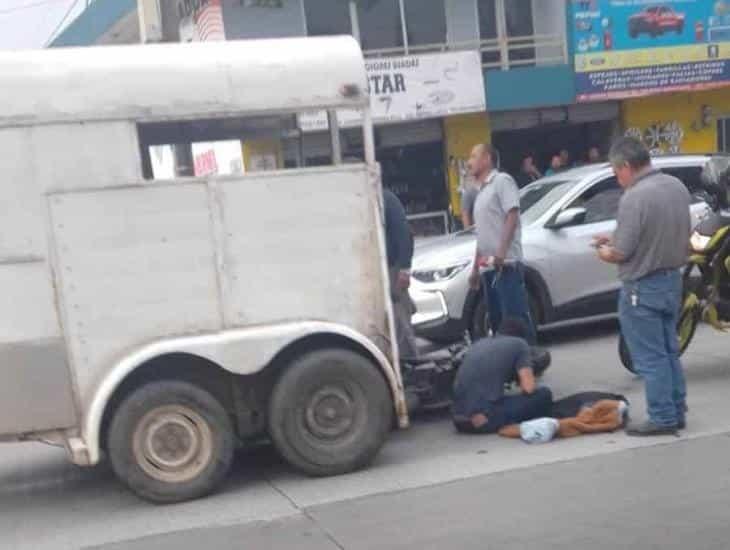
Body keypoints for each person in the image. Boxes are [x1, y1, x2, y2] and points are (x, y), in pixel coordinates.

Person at [593, 137, 690, 436]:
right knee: (669, 350)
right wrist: (616, 238)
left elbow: (621, 252)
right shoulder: (676, 186)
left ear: (626, 166)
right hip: (672, 279)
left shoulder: (634, 197)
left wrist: (603, 251)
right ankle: (676, 409)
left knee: (650, 357)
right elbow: (664, 232)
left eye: (615, 171)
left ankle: (661, 416)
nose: (616, 177)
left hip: (641, 288)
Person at [467, 144, 537, 343]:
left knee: (516, 318)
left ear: (487, 159)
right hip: (489, 268)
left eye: (473, 156)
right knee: (498, 321)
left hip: (507, 265)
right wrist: (474, 270)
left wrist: (502, 252)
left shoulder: (502, 181)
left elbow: (512, 214)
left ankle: (529, 362)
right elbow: (482, 236)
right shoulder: (479, 192)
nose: (469, 162)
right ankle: (509, 366)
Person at [452, 318, 552, 434]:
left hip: (458, 420)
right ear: (521, 336)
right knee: (544, 394)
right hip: (482, 421)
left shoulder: (479, 343)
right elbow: (528, 388)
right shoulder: (520, 344)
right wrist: (531, 376)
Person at [383, 188, 418, 360]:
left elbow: (403, 232)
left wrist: (404, 269)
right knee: (396, 319)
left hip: (393, 268)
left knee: (401, 321)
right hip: (384, 268)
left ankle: (411, 362)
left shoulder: (386, 198)